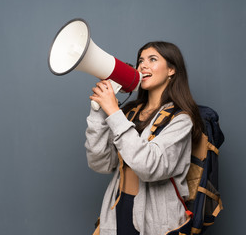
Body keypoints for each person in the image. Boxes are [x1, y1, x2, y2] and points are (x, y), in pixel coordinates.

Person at [85, 41, 204, 235]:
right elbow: (101, 163)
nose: (143, 66)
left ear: (171, 70)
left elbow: (150, 167)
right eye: (140, 60)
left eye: (152, 59)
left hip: (157, 221)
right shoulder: (129, 113)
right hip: (118, 213)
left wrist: (114, 112)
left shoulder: (181, 119)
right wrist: (100, 109)